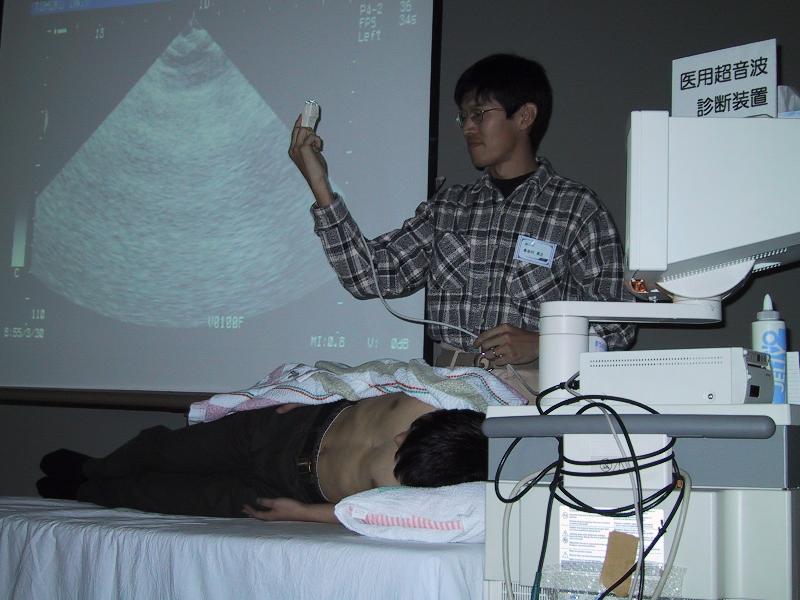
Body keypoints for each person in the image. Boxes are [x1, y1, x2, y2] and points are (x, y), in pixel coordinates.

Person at [289, 53, 635, 397]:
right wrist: (320, 186)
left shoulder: (576, 208)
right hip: (449, 386)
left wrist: (543, 341)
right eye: (463, 117)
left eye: (479, 114)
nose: (467, 127)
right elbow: (369, 277)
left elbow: (619, 323)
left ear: (524, 116)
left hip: (536, 391)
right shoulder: (449, 207)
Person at [36, 393, 487, 524]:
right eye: (411, 431)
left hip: (288, 489)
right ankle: (92, 467)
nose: (397, 437)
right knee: (164, 448)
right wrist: (309, 390)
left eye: (402, 447)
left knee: (169, 498)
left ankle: (86, 491)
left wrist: (302, 513)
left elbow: (368, 514)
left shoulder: (433, 487)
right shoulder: (432, 395)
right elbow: (369, 375)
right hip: (284, 429)